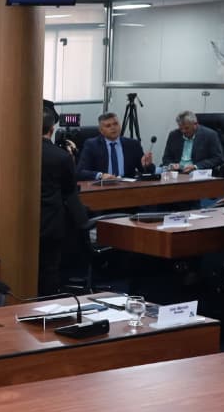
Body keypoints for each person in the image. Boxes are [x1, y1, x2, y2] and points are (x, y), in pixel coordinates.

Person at [40, 110, 89, 295]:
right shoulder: (61, 156)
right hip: (51, 219)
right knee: (50, 267)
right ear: (52, 130)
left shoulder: (17, 153)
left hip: (23, 221)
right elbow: (70, 189)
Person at [76, 112, 156, 181]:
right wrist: (101, 176)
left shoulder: (133, 144)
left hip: (128, 187)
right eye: (108, 126)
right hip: (103, 186)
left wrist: (147, 165)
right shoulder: (92, 145)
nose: (113, 128)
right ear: (101, 130)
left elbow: (146, 172)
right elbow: (80, 172)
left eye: (115, 124)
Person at [159, 110, 224, 173]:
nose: (183, 131)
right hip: (176, 172)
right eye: (181, 128)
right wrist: (171, 165)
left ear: (195, 124)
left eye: (186, 128)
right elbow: (166, 158)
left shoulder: (210, 135)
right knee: (157, 171)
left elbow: (218, 158)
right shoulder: (174, 135)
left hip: (196, 172)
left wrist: (195, 166)